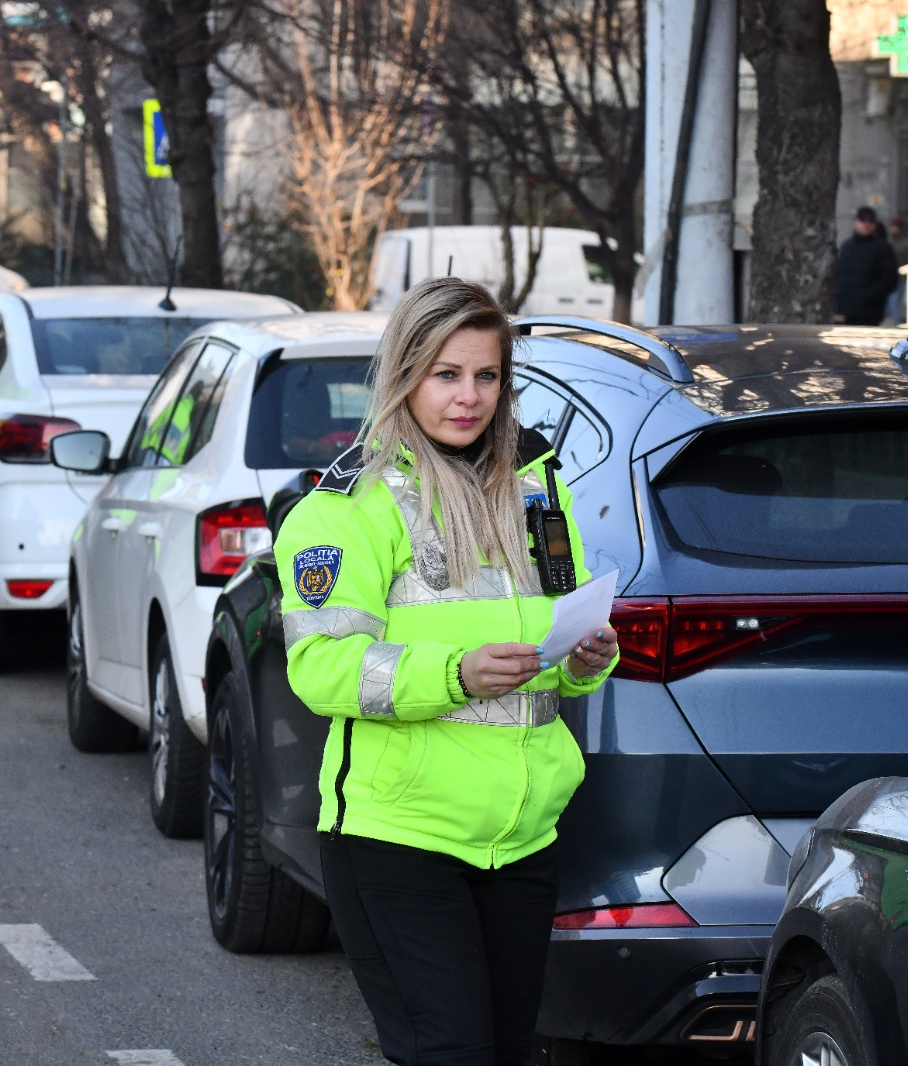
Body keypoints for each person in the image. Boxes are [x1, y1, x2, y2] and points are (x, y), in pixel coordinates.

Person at [275, 277, 620, 1066]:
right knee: (453, 1053)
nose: (470, 397)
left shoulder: (536, 486)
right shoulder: (350, 505)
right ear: (405, 374)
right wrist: (456, 674)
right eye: (447, 374)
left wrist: (586, 660)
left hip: (521, 838)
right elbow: (322, 669)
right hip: (399, 838)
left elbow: (554, 634)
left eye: (487, 375)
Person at [836, 205, 899, 326]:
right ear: (855, 222)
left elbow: (890, 280)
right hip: (843, 311)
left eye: (871, 220)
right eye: (862, 219)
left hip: (868, 313)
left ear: (875, 224)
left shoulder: (883, 248)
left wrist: (867, 297)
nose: (866, 224)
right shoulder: (847, 246)